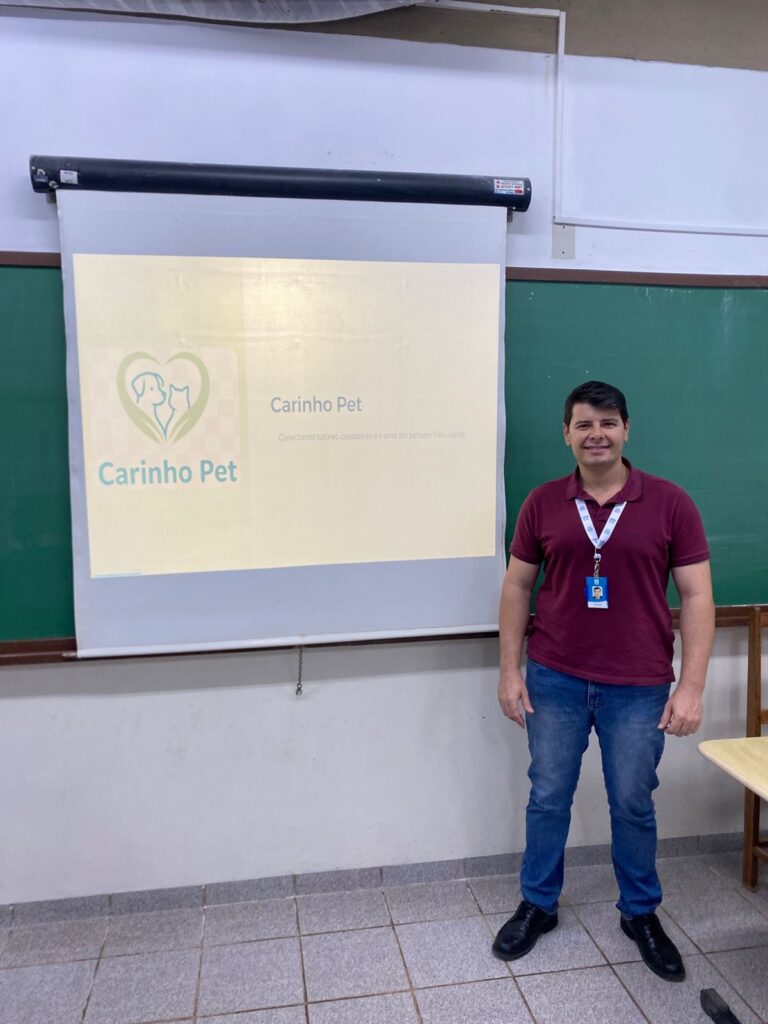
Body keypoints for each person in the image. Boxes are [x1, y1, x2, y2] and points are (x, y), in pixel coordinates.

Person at [493, 380, 714, 982]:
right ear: (566, 433)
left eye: (608, 423)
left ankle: (639, 912)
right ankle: (538, 904)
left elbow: (697, 596)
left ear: (626, 430)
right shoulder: (542, 502)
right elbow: (517, 586)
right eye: (584, 424)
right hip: (555, 677)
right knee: (547, 796)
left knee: (633, 802)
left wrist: (691, 687)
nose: (597, 435)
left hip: (639, 685)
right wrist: (510, 670)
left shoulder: (670, 503)